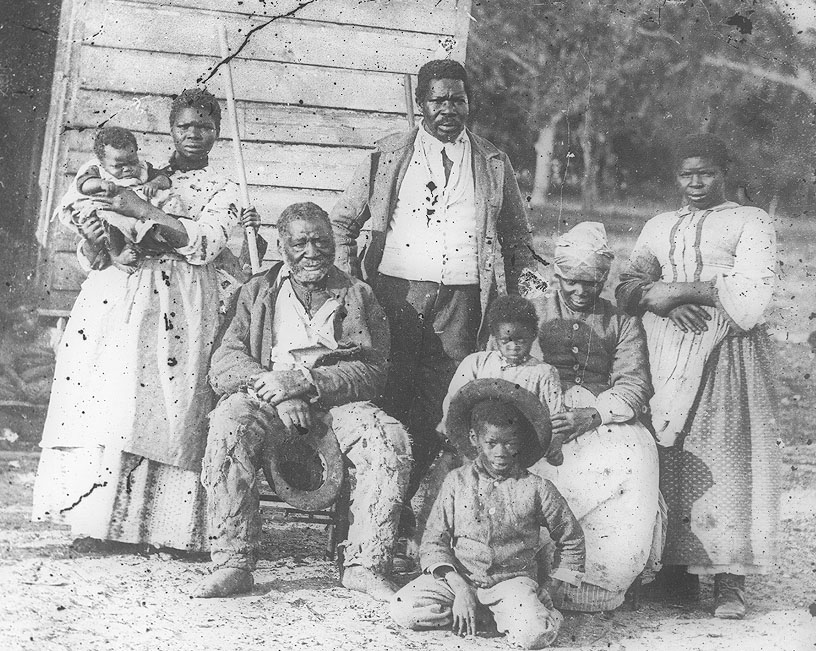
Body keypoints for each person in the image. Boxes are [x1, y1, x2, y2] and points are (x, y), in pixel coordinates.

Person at [32, 89, 258, 553]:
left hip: (183, 297)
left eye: (205, 126)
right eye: (185, 126)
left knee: (172, 406)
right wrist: (97, 238)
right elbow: (94, 241)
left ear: (218, 131)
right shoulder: (138, 171)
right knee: (113, 397)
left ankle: (167, 530)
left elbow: (206, 243)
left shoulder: (226, 188)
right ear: (171, 129)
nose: (194, 134)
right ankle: (100, 525)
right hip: (121, 290)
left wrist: (141, 210)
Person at [330, 59, 537, 500]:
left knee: (442, 402)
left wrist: (507, 300)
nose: (448, 109)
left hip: (461, 301)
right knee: (389, 391)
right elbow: (342, 222)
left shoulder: (493, 161)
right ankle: (364, 505)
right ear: (421, 103)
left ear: (469, 104)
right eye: (438, 100)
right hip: (395, 295)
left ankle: (405, 506)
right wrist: (351, 286)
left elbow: (518, 238)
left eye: (457, 100)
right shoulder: (387, 154)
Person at [193, 202, 411, 602]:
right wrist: (273, 385)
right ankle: (233, 562)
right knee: (228, 422)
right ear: (282, 245)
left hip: (332, 404)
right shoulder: (257, 290)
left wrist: (305, 383)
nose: (312, 252)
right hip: (265, 399)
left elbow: (372, 369)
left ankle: (366, 564)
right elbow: (224, 363)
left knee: (386, 438)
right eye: (300, 243)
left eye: (321, 242)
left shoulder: (357, 294)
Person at [616, 133, 781, 619]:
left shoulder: (750, 220)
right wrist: (660, 299)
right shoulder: (658, 225)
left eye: (705, 172)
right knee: (670, 456)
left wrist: (677, 292)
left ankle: (730, 581)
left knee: (726, 454)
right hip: (664, 348)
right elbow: (628, 286)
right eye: (687, 174)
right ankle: (674, 573)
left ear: (724, 173)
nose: (695, 182)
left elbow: (753, 287)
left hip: (726, 347)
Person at [528, 222, 662, 613]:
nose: (581, 291)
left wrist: (592, 415)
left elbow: (634, 384)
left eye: (592, 282)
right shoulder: (534, 310)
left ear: (604, 278)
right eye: (571, 281)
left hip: (602, 415)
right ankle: (529, 568)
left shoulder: (621, 320)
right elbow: (509, 363)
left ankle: (599, 580)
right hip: (541, 408)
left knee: (635, 456)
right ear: (557, 275)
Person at [390, 380, 584, 649]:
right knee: (405, 610)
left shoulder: (537, 488)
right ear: (474, 439)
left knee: (533, 636)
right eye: (491, 442)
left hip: (511, 584)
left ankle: (515, 614)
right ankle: (477, 611)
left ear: (521, 442)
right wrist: (459, 588)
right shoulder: (456, 482)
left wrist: (551, 588)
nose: (501, 452)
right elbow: (434, 540)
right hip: (459, 579)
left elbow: (572, 538)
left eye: (510, 443)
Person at [442, 295, 565, 464]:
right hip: (480, 445)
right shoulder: (476, 362)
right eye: (505, 340)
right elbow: (455, 402)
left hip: (519, 447)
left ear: (533, 335)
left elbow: (557, 416)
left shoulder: (544, 372)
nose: (513, 347)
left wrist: (556, 444)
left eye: (521, 340)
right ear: (494, 336)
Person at [56, 126, 178, 273]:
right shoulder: (97, 170)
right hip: (109, 210)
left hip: (136, 211)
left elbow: (165, 179)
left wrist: (154, 183)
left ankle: (133, 249)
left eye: (132, 162)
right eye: (118, 166)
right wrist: (101, 183)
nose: (127, 169)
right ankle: (116, 257)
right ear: (102, 163)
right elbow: (83, 183)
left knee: (146, 228)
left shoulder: (145, 168)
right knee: (108, 224)